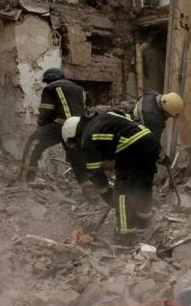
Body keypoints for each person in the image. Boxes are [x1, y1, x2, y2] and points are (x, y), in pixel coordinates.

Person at [62, 111, 161, 243]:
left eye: (75, 141)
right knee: (143, 185)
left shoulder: (87, 138)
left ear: (74, 134)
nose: (78, 144)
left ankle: (125, 237)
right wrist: (162, 156)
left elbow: (95, 173)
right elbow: (131, 123)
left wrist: (108, 196)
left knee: (122, 192)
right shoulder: (106, 116)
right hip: (151, 141)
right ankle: (144, 223)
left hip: (131, 146)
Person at [21, 68, 93, 196]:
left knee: (34, 143)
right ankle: (91, 192)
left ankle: (25, 179)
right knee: (78, 158)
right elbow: (87, 108)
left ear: (49, 79)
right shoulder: (80, 89)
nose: (47, 83)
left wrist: (42, 128)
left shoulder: (51, 88)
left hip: (62, 123)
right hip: (80, 126)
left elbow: (46, 111)